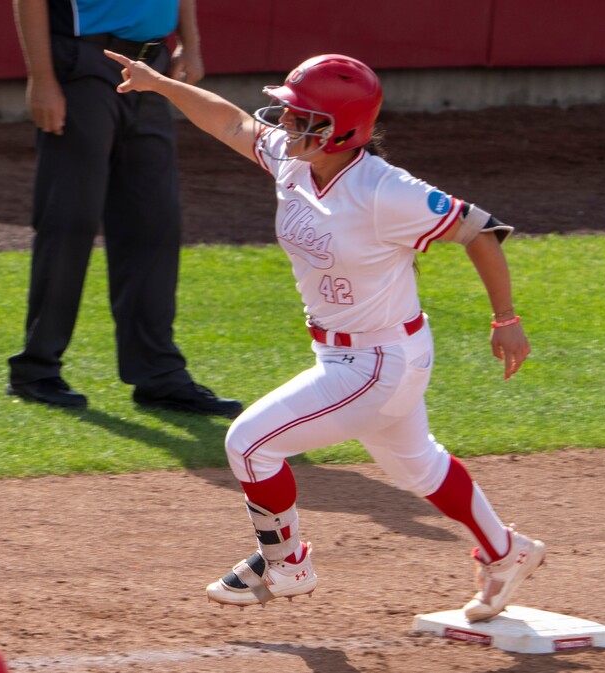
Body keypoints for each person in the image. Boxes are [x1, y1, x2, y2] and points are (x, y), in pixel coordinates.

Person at [106, 50, 546, 621]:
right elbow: (230, 121)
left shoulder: (388, 190)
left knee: (249, 444)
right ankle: (508, 552)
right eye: (288, 113)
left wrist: (506, 320)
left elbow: (480, 231)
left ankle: (286, 562)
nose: (285, 125)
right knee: (419, 468)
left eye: (302, 117)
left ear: (343, 131)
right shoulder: (295, 160)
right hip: (364, 354)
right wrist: (160, 84)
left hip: (377, 363)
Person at [6, 0, 242, 418]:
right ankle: (36, 369)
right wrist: (41, 79)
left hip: (150, 68)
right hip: (83, 63)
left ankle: (158, 375)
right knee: (69, 221)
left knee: (154, 223)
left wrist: (189, 41)